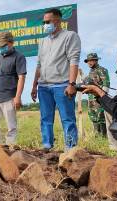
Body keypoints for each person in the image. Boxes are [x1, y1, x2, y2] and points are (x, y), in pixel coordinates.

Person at [30, 8, 81, 151]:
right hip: (43, 87)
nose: (45, 24)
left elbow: (74, 61)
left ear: (58, 20)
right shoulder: (42, 41)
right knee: (45, 119)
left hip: (62, 85)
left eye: (47, 21)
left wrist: (72, 84)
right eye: (43, 22)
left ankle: (71, 149)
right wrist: (34, 86)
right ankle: (47, 145)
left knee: (67, 119)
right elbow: (39, 65)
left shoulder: (70, 36)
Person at [82, 47, 117, 150]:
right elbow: (114, 102)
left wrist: (101, 92)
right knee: (108, 110)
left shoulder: (102, 70)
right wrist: (97, 94)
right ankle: (115, 148)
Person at [0, 32, 26, 145]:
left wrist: (18, 97)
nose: (0, 48)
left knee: (11, 127)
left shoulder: (19, 57)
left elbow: (21, 77)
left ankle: (10, 148)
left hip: (9, 97)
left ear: (11, 43)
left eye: (3, 46)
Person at [83, 53, 110, 136]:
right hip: (91, 98)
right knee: (92, 116)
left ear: (96, 60)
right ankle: (96, 135)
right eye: (88, 61)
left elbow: (106, 84)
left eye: (91, 60)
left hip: (99, 98)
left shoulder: (102, 70)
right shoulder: (91, 72)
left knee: (100, 116)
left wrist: (103, 97)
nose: (89, 62)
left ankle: (104, 136)